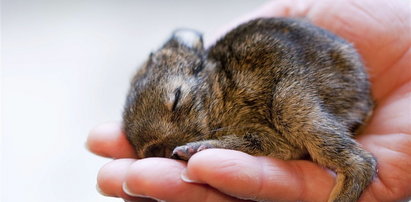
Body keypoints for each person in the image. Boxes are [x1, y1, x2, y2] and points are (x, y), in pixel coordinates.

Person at [87, 0, 411, 201]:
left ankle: (353, 164)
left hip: (329, 79)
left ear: (201, 74)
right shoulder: (221, 100)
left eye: (177, 104)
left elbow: (274, 135)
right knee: (280, 133)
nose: (169, 140)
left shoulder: (234, 87)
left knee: (290, 110)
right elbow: (270, 142)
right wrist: (213, 145)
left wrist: (215, 144)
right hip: (319, 92)